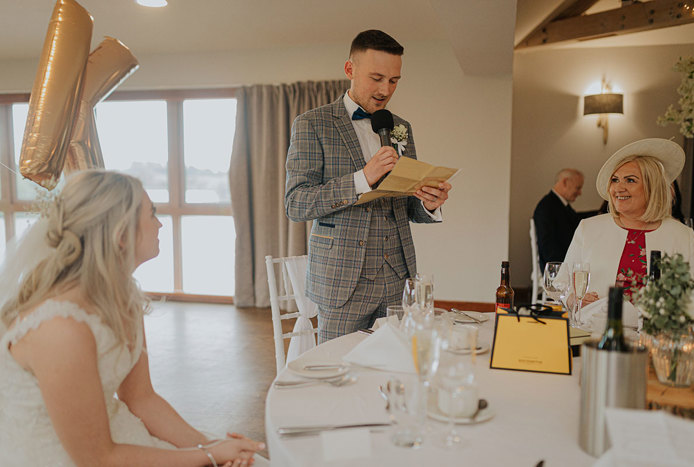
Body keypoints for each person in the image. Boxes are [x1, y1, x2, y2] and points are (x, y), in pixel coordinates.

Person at [0, 171, 264, 466]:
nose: (161, 224)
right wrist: (208, 456)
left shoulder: (123, 298)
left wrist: (212, 443)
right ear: (121, 235)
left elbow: (142, 399)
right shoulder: (60, 329)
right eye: (152, 215)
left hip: (114, 437)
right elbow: (97, 458)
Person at [285, 30, 451, 342]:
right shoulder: (312, 124)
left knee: (394, 367)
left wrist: (429, 202)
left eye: (394, 80)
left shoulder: (400, 128)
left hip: (398, 278)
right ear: (350, 70)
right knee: (339, 372)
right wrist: (363, 178)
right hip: (341, 282)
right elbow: (296, 204)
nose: (385, 89)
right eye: (376, 77)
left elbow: (406, 206)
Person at [563, 138, 694, 324]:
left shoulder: (681, 235)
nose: (618, 188)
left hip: (655, 334)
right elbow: (562, 284)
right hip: (595, 330)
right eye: (615, 180)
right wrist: (573, 299)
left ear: (652, 187)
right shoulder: (589, 228)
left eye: (630, 180)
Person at [533, 168, 587, 272]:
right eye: (578, 187)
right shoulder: (547, 207)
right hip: (557, 268)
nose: (580, 192)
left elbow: (576, 219)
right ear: (565, 182)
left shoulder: (558, 204)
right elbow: (548, 248)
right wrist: (566, 269)